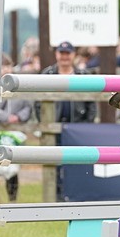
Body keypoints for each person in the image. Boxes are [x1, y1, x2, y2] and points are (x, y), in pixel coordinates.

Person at [38, 41, 98, 199]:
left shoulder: (83, 76)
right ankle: (56, 197)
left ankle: (75, 195)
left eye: (68, 53)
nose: (64, 57)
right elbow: (37, 102)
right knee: (54, 163)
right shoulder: (47, 74)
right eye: (61, 53)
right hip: (53, 125)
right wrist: (44, 123)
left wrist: (86, 126)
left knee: (77, 163)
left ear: (73, 55)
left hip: (77, 127)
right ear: (56, 54)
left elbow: (92, 103)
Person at [0, 54, 33, 202]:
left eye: (8, 65)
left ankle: (13, 199)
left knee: (12, 166)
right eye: (3, 66)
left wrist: (19, 117)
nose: (6, 69)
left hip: (14, 132)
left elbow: (27, 106)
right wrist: (6, 117)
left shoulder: (18, 84)